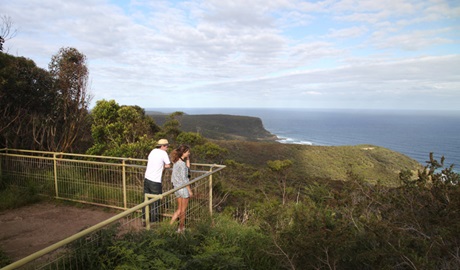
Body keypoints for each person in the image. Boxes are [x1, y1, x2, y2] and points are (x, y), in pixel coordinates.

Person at [143, 139, 171, 224]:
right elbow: (168, 165)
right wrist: (164, 166)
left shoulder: (153, 151)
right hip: (155, 181)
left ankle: (144, 219)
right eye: (166, 146)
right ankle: (153, 221)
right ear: (162, 146)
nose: (167, 147)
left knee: (146, 200)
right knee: (156, 201)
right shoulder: (163, 153)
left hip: (147, 178)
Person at [169, 144, 193, 232]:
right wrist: (189, 191)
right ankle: (181, 228)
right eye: (187, 152)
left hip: (176, 188)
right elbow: (184, 179)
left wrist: (187, 159)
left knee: (179, 209)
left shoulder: (176, 161)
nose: (189, 153)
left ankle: (169, 226)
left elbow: (187, 169)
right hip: (183, 189)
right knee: (183, 211)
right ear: (183, 153)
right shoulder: (182, 164)